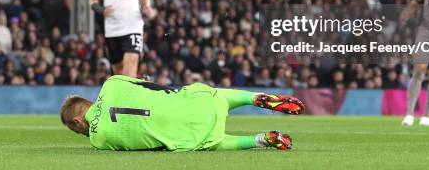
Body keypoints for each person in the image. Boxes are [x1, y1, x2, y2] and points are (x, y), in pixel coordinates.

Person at [60, 74, 304, 151]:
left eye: (74, 129)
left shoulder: (98, 140)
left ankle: (260, 140)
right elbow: (151, 85)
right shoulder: (111, 83)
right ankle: (255, 98)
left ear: (78, 121)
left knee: (210, 142)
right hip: (195, 103)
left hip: (189, 136)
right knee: (212, 95)